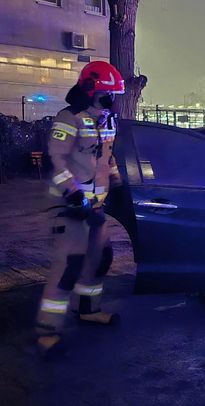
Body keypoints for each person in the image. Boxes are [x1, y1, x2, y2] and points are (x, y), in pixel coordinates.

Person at [35, 61, 125, 356]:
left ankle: (88, 309)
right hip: (69, 206)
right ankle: (48, 331)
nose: (111, 102)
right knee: (69, 266)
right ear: (90, 90)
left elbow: (105, 159)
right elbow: (56, 160)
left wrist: (118, 182)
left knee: (100, 259)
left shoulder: (107, 120)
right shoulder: (69, 118)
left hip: (95, 208)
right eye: (106, 95)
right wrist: (72, 194)